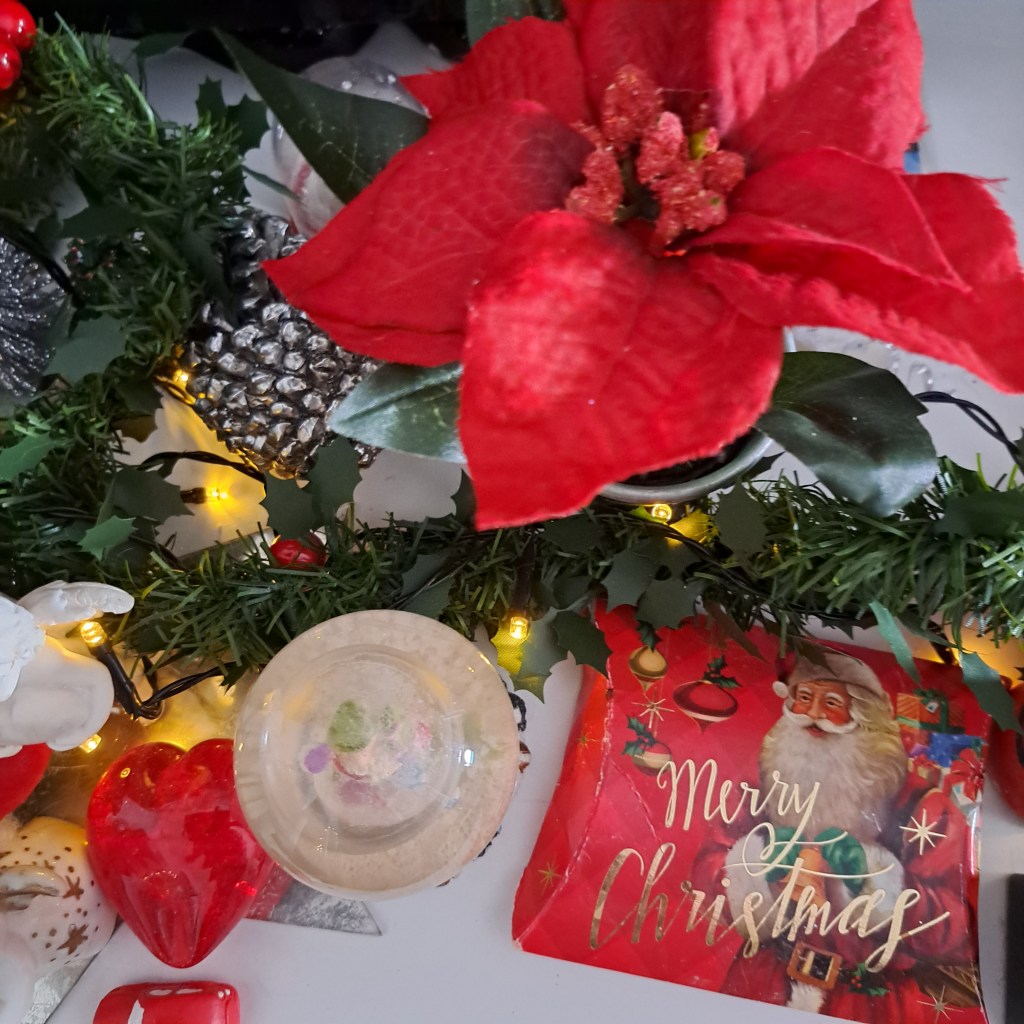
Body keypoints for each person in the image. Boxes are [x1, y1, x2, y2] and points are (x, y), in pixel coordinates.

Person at [693, 650, 982, 1020]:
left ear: (863, 714)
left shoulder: (923, 807)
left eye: (831, 702)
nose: (813, 713)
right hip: (764, 981)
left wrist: (872, 884)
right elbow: (707, 867)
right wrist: (765, 870)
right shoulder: (764, 780)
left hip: (870, 999)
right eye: (804, 697)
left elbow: (960, 929)